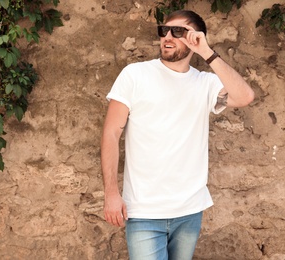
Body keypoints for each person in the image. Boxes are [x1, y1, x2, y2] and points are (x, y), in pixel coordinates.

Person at [101, 9, 254, 260]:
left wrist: (207, 52)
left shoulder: (205, 83)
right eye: (164, 31)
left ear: (195, 38)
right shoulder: (135, 75)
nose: (167, 37)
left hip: (189, 210)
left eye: (178, 32)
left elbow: (245, 97)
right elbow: (110, 134)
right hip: (144, 212)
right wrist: (111, 193)